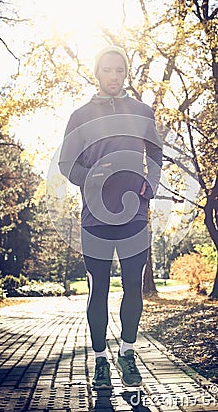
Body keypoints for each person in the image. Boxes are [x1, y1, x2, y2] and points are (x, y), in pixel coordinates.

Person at [58, 46, 163, 389]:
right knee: (98, 288)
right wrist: (90, 176)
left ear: (126, 73)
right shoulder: (80, 116)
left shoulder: (142, 111)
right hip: (95, 216)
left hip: (134, 214)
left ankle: (128, 353)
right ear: (97, 73)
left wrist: (152, 183)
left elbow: (157, 152)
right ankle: (101, 359)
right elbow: (66, 164)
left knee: (134, 286)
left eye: (120, 70)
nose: (114, 76)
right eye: (107, 70)